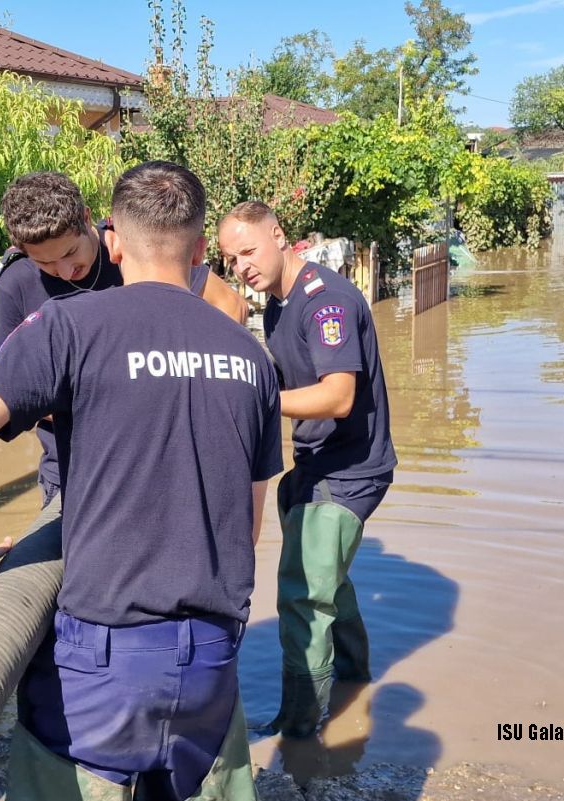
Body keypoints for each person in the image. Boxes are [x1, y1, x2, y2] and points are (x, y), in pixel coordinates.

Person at [0, 162, 282, 800]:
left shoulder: (67, 328)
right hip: (213, 651)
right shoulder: (252, 358)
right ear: (201, 250)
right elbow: (245, 525)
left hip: (104, 650)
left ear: (112, 238)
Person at [218, 200, 397, 739]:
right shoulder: (277, 305)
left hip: (350, 469)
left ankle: (299, 728)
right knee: (327, 583)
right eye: (230, 260)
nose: (241, 266)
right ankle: (354, 677)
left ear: (279, 235)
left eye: (248, 251)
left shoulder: (327, 302)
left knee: (301, 594)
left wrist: (257, 397)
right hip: (313, 465)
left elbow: (338, 396)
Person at [0, 171, 248, 509]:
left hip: (164, 461)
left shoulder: (131, 250)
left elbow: (231, 304)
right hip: (71, 470)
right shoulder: (15, 283)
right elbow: (5, 385)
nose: (65, 272)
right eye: (46, 263)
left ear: (86, 219)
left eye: (70, 253)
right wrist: (96, 406)